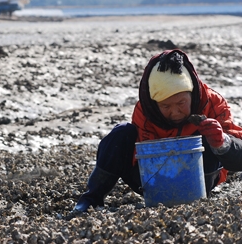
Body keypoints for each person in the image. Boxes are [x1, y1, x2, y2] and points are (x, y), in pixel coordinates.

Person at [66, 49, 242, 219]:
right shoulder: (145, 110)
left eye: (181, 102)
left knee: (209, 135)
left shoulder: (212, 102)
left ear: (192, 93)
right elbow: (142, 158)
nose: (175, 112)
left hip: (202, 179)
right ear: (154, 103)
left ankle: (197, 193)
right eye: (165, 106)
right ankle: (90, 199)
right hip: (153, 179)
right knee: (121, 134)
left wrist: (222, 143)